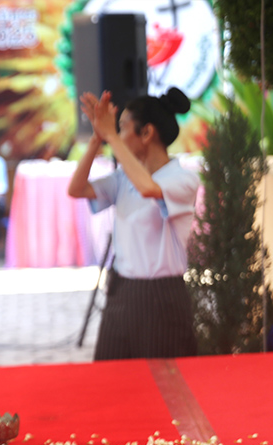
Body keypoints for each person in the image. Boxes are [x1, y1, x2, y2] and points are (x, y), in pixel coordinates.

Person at [67, 87, 199, 360]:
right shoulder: (123, 178)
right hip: (121, 290)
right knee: (112, 384)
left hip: (161, 297)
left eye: (123, 127)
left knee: (161, 388)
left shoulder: (182, 179)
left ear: (147, 133)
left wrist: (111, 136)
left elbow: (149, 188)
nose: (117, 133)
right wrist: (96, 139)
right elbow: (76, 189)